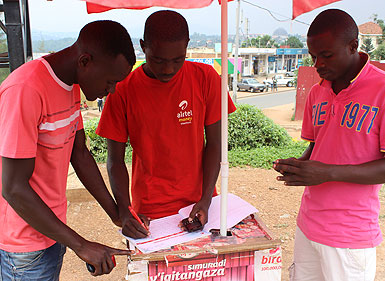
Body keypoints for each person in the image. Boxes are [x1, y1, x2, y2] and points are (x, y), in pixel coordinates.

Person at [0, 20, 136, 279]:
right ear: (85, 61)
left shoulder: (71, 84)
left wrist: (117, 214)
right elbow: (13, 187)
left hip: (52, 231)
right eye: (110, 81)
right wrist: (82, 245)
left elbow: (80, 153)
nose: (111, 91)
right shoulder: (26, 89)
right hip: (23, 247)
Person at [273, 9, 385, 281]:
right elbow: (317, 146)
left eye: (326, 55)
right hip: (307, 224)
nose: (317, 64)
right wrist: (299, 166)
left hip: (350, 235)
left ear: (353, 46)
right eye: (313, 56)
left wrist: (328, 173)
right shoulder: (318, 90)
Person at [96, 10, 236, 239]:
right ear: (143, 46)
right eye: (158, 60)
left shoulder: (207, 78)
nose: (168, 69)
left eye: (177, 60)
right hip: (150, 211)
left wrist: (206, 200)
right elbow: (115, 160)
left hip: (198, 205)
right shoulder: (123, 89)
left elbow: (215, 144)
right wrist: (126, 210)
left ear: (187, 47)